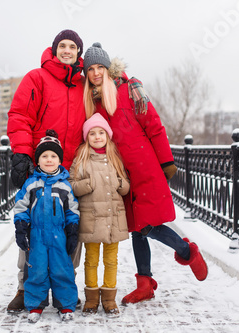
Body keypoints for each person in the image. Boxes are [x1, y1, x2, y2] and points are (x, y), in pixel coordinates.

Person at [82, 43, 209, 305]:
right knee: (137, 230)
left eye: (99, 67)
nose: (95, 73)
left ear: (108, 68)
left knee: (148, 224)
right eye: (90, 69)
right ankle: (145, 284)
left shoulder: (131, 89)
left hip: (146, 166)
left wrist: (166, 161)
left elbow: (154, 125)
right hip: (121, 172)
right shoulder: (93, 102)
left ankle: (188, 252)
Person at [6, 29, 86, 312]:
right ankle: (24, 288)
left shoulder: (84, 85)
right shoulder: (36, 78)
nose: (67, 50)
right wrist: (22, 155)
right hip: (40, 167)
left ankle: (66, 285)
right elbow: (20, 116)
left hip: (72, 169)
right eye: (62, 46)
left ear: (79, 53)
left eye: (73, 47)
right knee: (33, 226)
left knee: (70, 226)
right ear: (54, 50)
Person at [13, 129, 79, 323]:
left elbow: (72, 209)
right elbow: (21, 206)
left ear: (59, 160)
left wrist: (72, 230)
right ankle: (35, 305)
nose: (49, 160)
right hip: (37, 236)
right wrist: (21, 227)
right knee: (37, 270)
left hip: (60, 236)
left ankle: (65, 304)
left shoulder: (65, 186)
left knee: (62, 269)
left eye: (53, 156)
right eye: (44, 156)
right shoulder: (31, 184)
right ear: (38, 160)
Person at [69, 113, 130, 317]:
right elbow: (71, 185)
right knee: (91, 260)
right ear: (87, 137)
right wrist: (86, 185)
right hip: (92, 219)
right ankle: (92, 298)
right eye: (92, 133)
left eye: (101, 132)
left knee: (111, 260)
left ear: (108, 135)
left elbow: (126, 184)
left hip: (113, 219)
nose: (97, 137)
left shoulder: (115, 158)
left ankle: (110, 298)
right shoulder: (82, 159)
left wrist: (121, 185)